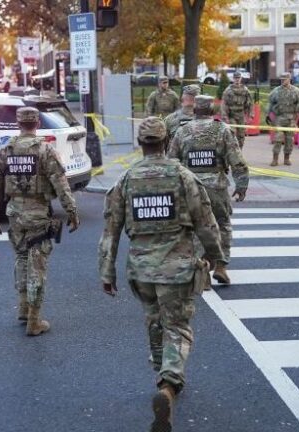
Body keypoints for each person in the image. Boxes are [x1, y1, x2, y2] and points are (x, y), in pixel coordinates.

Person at [98, 116, 223, 432]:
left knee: (154, 321)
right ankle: (169, 382)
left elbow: (110, 230)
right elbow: (205, 222)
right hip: (177, 269)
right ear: (166, 142)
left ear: (140, 145)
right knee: (178, 326)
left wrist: (107, 271)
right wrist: (216, 256)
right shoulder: (183, 177)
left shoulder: (126, 180)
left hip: (141, 271)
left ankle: (161, 377)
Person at [0, 107, 80, 336]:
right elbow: (61, 184)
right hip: (37, 213)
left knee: (21, 257)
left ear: (18, 123)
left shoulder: (6, 149)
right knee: (37, 263)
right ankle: (34, 321)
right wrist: (72, 211)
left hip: (14, 212)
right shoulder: (45, 150)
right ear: (37, 123)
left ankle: (24, 308)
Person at [168, 95, 250, 284]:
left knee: (196, 228)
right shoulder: (222, 130)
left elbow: (172, 161)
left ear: (195, 110)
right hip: (217, 188)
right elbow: (237, 160)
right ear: (212, 111)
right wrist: (241, 184)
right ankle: (221, 265)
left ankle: (202, 265)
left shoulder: (182, 131)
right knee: (222, 225)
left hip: (192, 188)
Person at [267, 72, 299, 166]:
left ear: (289, 79)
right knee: (278, 139)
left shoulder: (296, 91)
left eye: (285, 79)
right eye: (281, 79)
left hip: (291, 119)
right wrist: (268, 114)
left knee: (289, 140)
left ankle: (286, 158)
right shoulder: (276, 91)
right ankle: (275, 158)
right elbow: (270, 103)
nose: (283, 81)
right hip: (279, 118)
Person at [220, 71, 254, 149]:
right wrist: (225, 116)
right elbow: (223, 103)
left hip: (241, 115)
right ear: (233, 79)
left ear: (241, 78)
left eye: (238, 78)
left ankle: (239, 153)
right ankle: (232, 153)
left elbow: (250, 103)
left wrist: (251, 114)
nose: (237, 80)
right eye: (235, 78)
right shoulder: (228, 90)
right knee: (232, 133)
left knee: (241, 136)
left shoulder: (245, 90)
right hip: (232, 115)